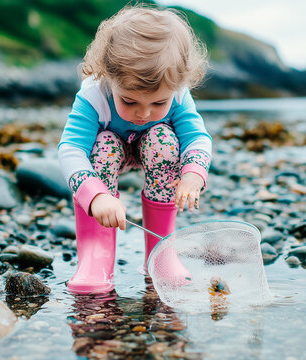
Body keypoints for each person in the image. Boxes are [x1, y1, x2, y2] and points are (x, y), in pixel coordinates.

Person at [58, 6, 211, 294]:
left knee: (163, 138)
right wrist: (96, 196)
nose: (143, 113)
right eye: (129, 101)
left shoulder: (177, 93)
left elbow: (197, 137)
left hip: (155, 154)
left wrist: (193, 174)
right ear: (108, 75)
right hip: (108, 155)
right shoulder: (94, 95)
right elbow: (71, 149)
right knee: (103, 145)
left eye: (158, 103)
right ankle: (96, 258)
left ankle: (161, 253)